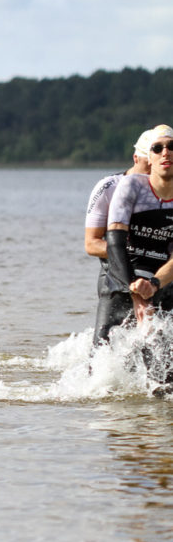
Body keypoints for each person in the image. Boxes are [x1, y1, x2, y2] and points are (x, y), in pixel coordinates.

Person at [106, 124, 173, 392]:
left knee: (165, 366)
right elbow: (114, 241)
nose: (166, 152)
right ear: (150, 157)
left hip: (162, 276)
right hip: (125, 273)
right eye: (158, 148)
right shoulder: (131, 185)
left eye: (172, 147)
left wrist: (154, 284)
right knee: (102, 357)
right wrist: (132, 287)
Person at [85, 127, 155, 344]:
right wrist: (132, 253)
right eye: (146, 164)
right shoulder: (109, 187)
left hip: (158, 274)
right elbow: (91, 243)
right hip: (115, 273)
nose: (151, 172)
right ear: (136, 158)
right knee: (105, 348)